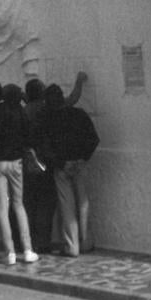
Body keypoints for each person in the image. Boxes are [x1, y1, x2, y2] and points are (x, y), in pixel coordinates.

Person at [21, 71, 88, 253]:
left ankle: (32, 241)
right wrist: (79, 81)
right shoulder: (47, 110)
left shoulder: (27, 111)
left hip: (31, 162)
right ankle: (47, 241)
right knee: (50, 204)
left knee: (30, 203)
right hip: (49, 163)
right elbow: (73, 99)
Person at [36, 83, 100, 257]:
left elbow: (45, 147)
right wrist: (83, 157)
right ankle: (86, 242)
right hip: (79, 163)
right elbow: (93, 139)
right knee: (83, 203)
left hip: (62, 166)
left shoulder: (47, 120)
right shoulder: (78, 114)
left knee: (67, 206)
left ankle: (72, 246)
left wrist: (59, 162)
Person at [0, 80, 40, 264]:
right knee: (18, 204)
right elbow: (29, 135)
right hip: (15, 162)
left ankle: (10, 253)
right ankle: (28, 249)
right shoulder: (18, 111)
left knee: (1, 207)